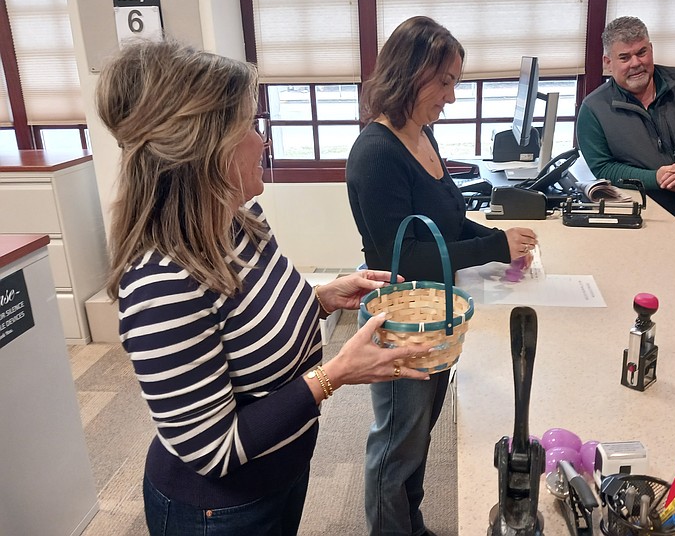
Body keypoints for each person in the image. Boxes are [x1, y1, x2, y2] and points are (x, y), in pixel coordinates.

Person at [96, 39, 433, 536]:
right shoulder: (162, 283)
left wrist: (322, 298)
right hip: (218, 509)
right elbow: (213, 449)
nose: (263, 143)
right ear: (203, 149)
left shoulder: (239, 220)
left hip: (281, 470)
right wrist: (334, 375)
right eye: (249, 128)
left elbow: (247, 319)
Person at [346, 16, 538, 536]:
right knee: (396, 444)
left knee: (418, 437)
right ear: (410, 73)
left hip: (433, 316)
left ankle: (411, 524)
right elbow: (407, 258)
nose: (451, 97)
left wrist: (500, 242)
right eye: (445, 82)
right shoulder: (376, 153)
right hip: (399, 321)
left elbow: (448, 221)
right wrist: (493, 246)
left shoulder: (420, 134)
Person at [576, 16, 675, 249]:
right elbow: (603, 167)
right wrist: (656, 178)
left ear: (651, 49)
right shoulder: (593, 109)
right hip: (640, 227)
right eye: (624, 57)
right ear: (608, 62)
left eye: (641, 53)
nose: (636, 63)